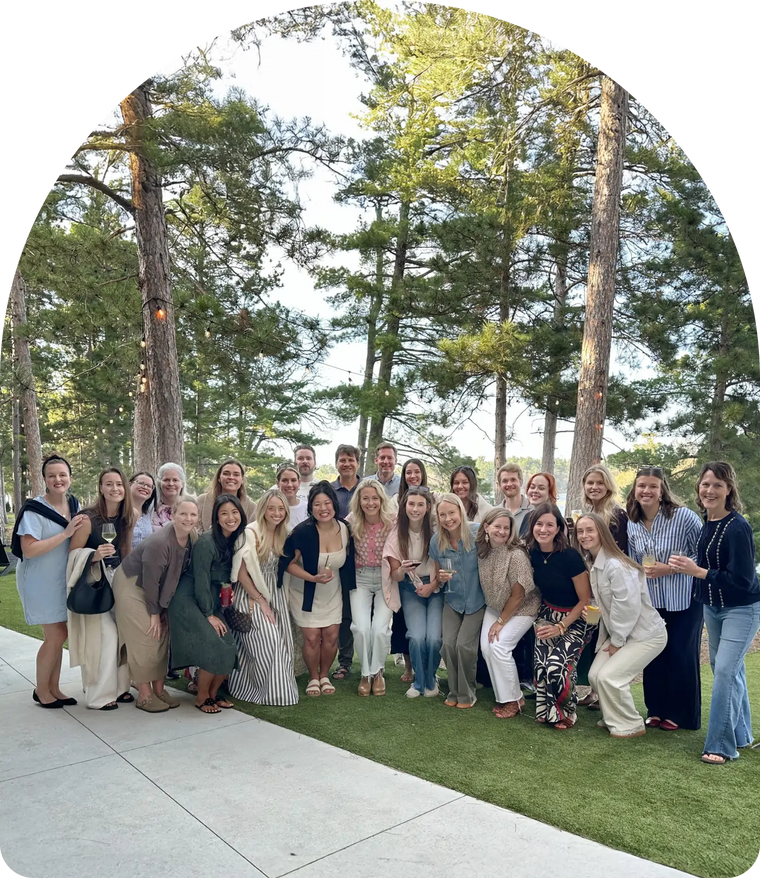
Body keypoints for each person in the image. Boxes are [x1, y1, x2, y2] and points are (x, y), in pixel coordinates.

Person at [668, 462, 760, 763]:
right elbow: (704, 566)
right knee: (730, 670)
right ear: (699, 488)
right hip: (713, 607)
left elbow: (743, 581)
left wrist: (699, 572)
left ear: (729, 489)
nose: (710, 490)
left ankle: (720, 745)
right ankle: (743, 734)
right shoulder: (707, 523)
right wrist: (689, 568)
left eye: (717, 485)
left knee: (723, 672)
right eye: (705, 484)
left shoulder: (738, 527)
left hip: (741, 610)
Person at [575, 513, 667, 738]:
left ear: (601, 533)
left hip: (646, 635)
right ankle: (613, 718)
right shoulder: (595, 563)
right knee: (595, 675)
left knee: (610, 677)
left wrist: (616, 641)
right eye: (580, 531)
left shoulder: (616, 565)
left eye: (590, 530)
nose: (584, 535)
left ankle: (631, 724)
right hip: (622, 633)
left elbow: (627, 607)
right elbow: (609, 602)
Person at [626, 465, 703, 731]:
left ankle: (681, 714)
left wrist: (669, 568)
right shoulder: (632, 522)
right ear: (634, 491)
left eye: (652, 486)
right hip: (651, 601)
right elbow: (635, 562)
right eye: (641, 486)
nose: (646, 491)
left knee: (680, 655)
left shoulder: (685, 517)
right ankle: (656, 710)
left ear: (662, 491)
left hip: (683, 600)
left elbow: (701, 556)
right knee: (654, 655)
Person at [112, 497, 199, 712]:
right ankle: (144, 695)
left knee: (162, 636)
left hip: (158, 588)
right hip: (133, 585)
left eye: (193, 515)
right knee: (146, 636)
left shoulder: (191, 537)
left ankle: (159, 690)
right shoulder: (159, 543)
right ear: (173, 515)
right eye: (183, 514)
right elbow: (150, 582)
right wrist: (154, 613)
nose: (188, 519)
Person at [15, 453, 86, 708]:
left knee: (60, 634)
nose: (58, 479)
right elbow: (29, 549)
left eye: (62, 475)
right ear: (44, 479)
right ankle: (41, 690)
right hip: (38, 580)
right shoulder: (34, 510)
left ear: (70, 477)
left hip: (61, 580)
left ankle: (53, 688)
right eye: (52, 475)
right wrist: (66, 532)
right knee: (55, 635)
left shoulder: (74, 504)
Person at [167, 494, 244, 714]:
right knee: (214, 644)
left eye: (235, 512)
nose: (230, 517)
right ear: (216, 518)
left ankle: (212, 694)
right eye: (224, 513)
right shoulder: (206, 542)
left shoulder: (237, 540)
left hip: (213, 600)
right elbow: (200, 581)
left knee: (228, 645)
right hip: (190, 600)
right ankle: (201, 698)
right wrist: (209, 614)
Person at [279, 481, 356, 696]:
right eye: (317, 504)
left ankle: (324, 675)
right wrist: (312, 577)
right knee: (312, 637)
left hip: (333, 592)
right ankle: (313, 677)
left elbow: (348, 561)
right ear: (311, 508)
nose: (323, 509)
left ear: (334, 504)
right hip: (305, 591)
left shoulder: (344, 528)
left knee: (331, 636)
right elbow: (288, 564)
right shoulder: (303, 531)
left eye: (327, 503)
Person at [68, 467, 135, 710]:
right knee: (105, 637)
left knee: (122, 634)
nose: (115, 488)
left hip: (118, 579)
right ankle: (99, 696)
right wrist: (94, 555)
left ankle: (119, 689)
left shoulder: (129, 515)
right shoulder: (87, 518)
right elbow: (72, 553)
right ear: (101, 488)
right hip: (95, 582)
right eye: (109, 484)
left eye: (119, 484)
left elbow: (126, 551)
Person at [228, 489, 298, 706]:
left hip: (274, 593)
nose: (276, 513)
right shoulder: (250, 532)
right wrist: (259, 599)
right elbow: (240, 572)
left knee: (283, 640)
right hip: (250, 593)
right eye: (271, 508)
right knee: (269, 640)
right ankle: (262, 692)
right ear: (263, 509)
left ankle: (277, 690)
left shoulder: (284, 533)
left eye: (280, 509)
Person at [526, 502, 593, 729]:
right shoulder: (531, 553)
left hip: (575, 619)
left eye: (549, 525)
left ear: (558, 529)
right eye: (539, 524)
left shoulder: (570, 556)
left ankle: (568, 710)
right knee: (541, 664)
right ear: (532, 526)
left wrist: (562, 627)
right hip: (547, 613)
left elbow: (584, 600)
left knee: (556, 666)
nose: (543, 529)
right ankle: (547, 711)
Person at [476, 509, 539, 718]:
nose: (502, 531)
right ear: (486, 527)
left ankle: (514, 700)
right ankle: (506, 696)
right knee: (487, 647)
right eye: (497, 526)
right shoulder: (483, 551)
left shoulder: (516, 554)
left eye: (506, 527)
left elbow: (519, 596)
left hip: (522, 609)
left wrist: (501, 622)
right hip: (495, 606)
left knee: (499, 646)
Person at [429, 493, 485, 708]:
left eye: (451, 513)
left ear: (460, 511)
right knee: (448, 644)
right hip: (452, 599)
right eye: (442, 514)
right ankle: (454, 691)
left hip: (476, 600)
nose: (447, 518)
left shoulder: (477, 532)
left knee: (464, 645)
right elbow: (438, 576)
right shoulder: (436, 541)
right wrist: (440, 578)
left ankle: (467, 693)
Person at [384, 487, 441, 698]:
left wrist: (432, 586)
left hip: (435, 587)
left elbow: (444, 566)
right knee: (417, 637)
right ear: (404, 506)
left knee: (434, 638)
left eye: (420, 504)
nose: (415, 509)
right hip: (409, 587)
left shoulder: (436, 531)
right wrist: (402, 569)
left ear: (428, 507)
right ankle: (419, 681)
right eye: (411, 504)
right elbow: (396, 576)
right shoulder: (396, 533)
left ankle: (430, 678)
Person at [346, 479, 397, 696]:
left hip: (386, 577)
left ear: (381, 499)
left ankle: (378, 672)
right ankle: (365, 674)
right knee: (361, 627)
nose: (370, 503)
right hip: (361, 577)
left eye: (374, 498)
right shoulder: (351, 521)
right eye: (365, 498)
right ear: (359, 500)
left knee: (379, 629)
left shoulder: (392, 521)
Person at [330, 444, 361, 678]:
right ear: (336, 463)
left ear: (357, 463)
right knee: (343, 612)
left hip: (364, 558)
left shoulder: (367, 488)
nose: (347, 464)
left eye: (351, 459)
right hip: (337, 557)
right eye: (342, 460)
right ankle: (345, 662)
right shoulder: (330, 491)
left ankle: (371, 662)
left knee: (361, 613)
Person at [196, 458, 256, 533]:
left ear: (242, 480)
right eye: (226, 473)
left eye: (236, 474)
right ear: (219, 478)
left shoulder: (252, 508)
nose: (231, 477)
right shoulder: (201, 501)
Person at [580, 464, 628, 552]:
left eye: (600, 483)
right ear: (584, 486)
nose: (594, 487)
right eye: (590, 483)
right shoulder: (590, 513)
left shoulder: (616, 515)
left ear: (608, 486)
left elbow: (619, 552)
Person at [518, 472, 560, 537]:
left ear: (550, 493)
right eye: (532, 487)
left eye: (541, 488)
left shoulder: (556, 519)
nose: (535, 491)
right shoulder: (527, 517)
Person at [496, 463, 531, 533]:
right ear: (499, 485)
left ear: (521, 482)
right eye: (505, 481)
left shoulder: (533, 510)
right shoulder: (495, 513)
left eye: (513, 480)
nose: (509, 484)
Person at [152, 462, 188, 528]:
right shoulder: (151, 508)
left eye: (175, 480)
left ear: (182, 483)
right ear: (159, 483)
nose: (171, 484)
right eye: (166, 480)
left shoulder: (190, 507)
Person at [276, 463, 309, 528]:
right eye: (285, 480)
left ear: (299, 483)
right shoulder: (271, 509)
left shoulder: (307, 508)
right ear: (278, 483)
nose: (289, 485)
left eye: (293, 480)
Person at [129, 471, 156, 549]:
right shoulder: (120, 511)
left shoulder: (148, 514)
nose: (145, 487)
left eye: (149, 486)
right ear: (130, 484)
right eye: (141, 483)